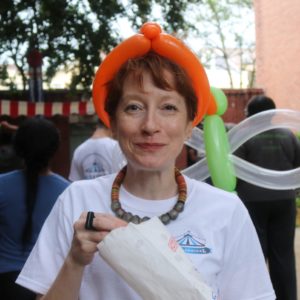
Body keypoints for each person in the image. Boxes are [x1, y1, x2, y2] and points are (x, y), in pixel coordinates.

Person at [16, 22, 275, 300]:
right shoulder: (77, 201)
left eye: (168, 107)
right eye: (134, 107)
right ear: (113, 123)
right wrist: (75, 261)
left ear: (190, 125)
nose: (150, 125)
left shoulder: (226, 211)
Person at [235, 95, 300, 300]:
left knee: (254, 255)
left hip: (253, 203)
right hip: (285, 202)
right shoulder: (288, 135)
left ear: (250, 115)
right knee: (284, 256)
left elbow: (233, 171)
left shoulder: (244, 137)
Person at [0, 117, 70, 300]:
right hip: (48, 283)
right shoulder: (67, 192)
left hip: (5, 282)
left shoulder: (2, 185)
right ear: (55, 149)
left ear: (18, 148)